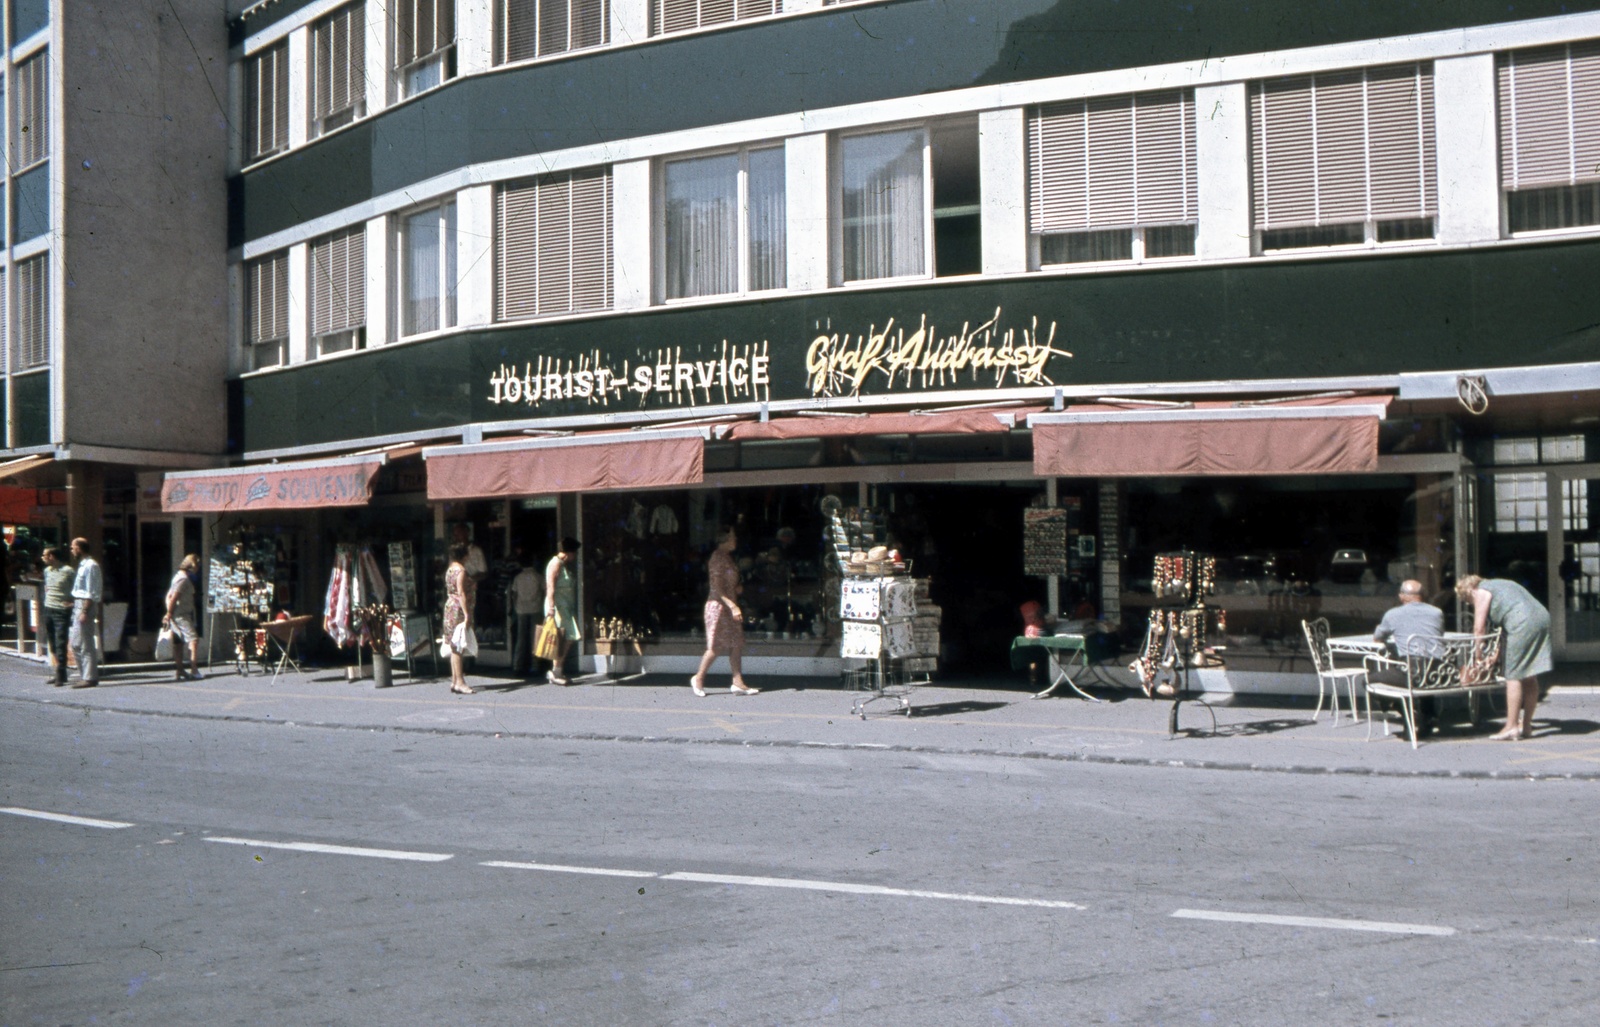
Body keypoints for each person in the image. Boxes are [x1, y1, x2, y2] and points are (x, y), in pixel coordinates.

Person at [1455, 574, 1553, 741]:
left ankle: (1511, 726)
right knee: (1529, 674)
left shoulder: (1480, 591)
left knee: (1512, 676)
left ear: (1469, 590)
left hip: (1522, 622)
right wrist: (1496, 655)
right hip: (1541, 618)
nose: (1469, 603)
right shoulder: (1501, 584)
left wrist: (1477, 657)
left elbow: (1479, 628)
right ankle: (1526, 726)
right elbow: (1508, 628)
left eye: (1467, 600)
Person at [1369, 579, 1446, 735]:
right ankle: (1427, 717)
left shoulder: (1393, 614)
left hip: (1412, 672)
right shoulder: (1437, 612)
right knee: (1421, 678)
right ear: (1422, 595)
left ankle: (1407, 712)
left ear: (1402, 596)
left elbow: (1377, 638)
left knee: (1369, 680)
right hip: (1438, 672)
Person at [689, 526, 758, 697]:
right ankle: (698, 678)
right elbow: (717, 588)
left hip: (730, 605)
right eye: (733, 538)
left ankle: (738, 681)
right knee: (716, 646)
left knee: (736, 643)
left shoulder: (728, 558)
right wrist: (733, 605)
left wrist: (737, 588)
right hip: (718, 607)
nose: (735, 541)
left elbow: (729, 584)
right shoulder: (717, 558)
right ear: (724, 541)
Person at [543, 537, 582, 684]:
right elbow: (550, 586)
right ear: (568, 552)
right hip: (558, 607)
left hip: (565, 606)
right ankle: (556, 671)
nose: (575, 556)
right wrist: (551, 609)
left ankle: (557, 670)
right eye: (574, 553)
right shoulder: (555, 564)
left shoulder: (562, 564)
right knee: (563, 637)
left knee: (567, 637)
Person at [442, 542, 476, 695]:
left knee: (454, 644)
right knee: (458, 645)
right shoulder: (461, 570)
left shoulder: (450, 569)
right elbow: (461, 593)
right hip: (457, 609)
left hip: (449, 607)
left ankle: (455, 680)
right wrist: (467, 613)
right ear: (464, 555)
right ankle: (460, 681)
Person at [69, 537, 102, 688]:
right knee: (75, 643)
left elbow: (91, 592)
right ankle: (84, 674)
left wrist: (84, 611)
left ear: (80, 548)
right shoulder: (82, 565)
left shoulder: (91, 566)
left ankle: (90, 677)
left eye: (73, 547)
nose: (71, 550)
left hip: (85, 605)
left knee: (86, 643)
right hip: (78, 604)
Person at [39, 546, 75, 687]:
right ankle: (58, 671)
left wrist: (72, 602)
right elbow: (47, 587)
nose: (43, 558)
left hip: (61, 610)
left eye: (45, 555)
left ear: (52, 556)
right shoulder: (47, 571)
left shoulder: (68, 571)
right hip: (49, 608)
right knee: (52, 642)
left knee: (61, 641)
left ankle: (61, 673)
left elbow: (77, 588)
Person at [165, 554, 203, 681]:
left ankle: (180, 670)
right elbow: (173, 597)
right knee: (193, 639)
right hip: (181, 614)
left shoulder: (178, 577)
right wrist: (169, 613)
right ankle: (194, 669)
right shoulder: (183, 579)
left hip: (178, 613)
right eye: (197, 565)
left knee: (178, 642)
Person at [507, 552, 543, 677]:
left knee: (521, 638)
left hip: (521, 609)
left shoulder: (518, 577)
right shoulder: (538, 576)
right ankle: (535, 665)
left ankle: (518, 665)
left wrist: (513, 607)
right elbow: (544, 590)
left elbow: (514, 594)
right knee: (535, 637)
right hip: (536, 608)